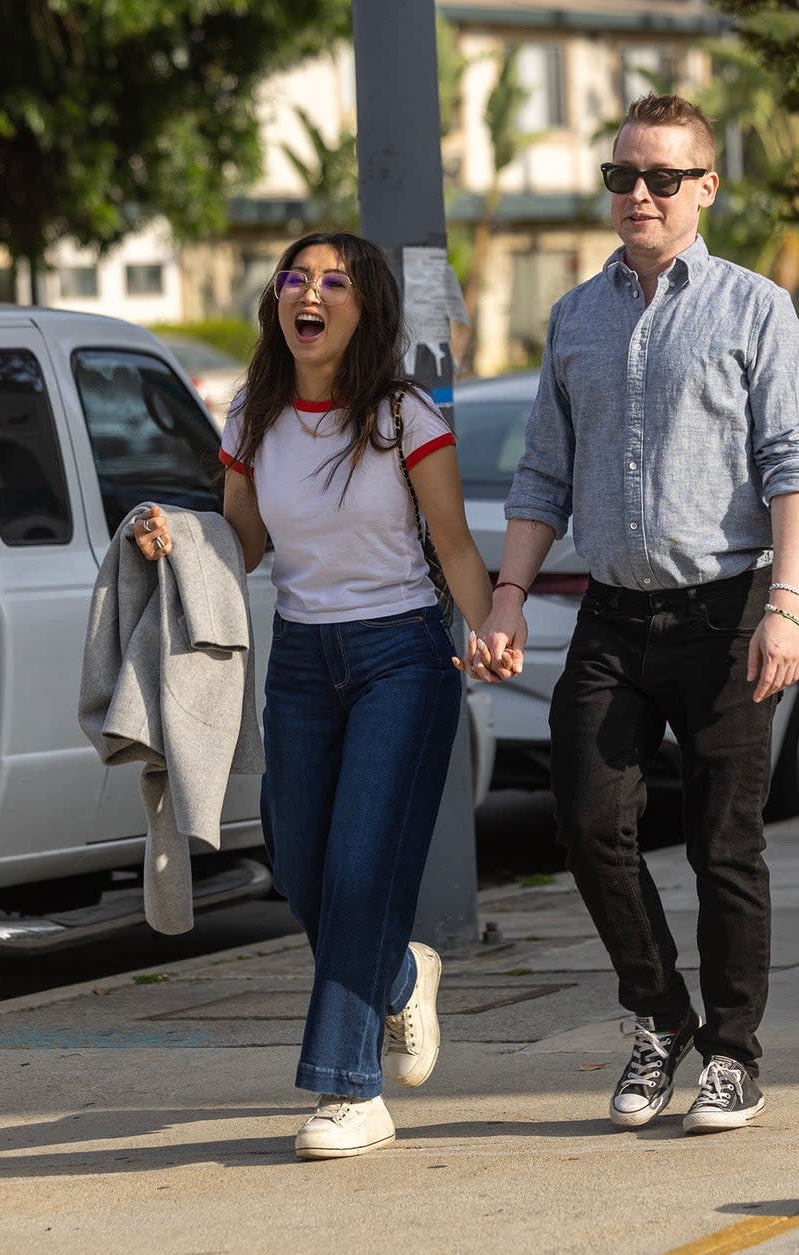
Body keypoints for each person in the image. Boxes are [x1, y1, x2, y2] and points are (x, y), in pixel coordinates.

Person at [470, 94, 799, 1134]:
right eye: (622, 176)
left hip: (727, 609)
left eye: (662, 177)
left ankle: (732, 1052)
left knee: (725, 845)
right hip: (613, 617)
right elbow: (541, 473)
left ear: (705, 187)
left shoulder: (756, 307)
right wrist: (504, 599)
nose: (638, 194)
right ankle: (658, 1015)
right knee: (585, 822)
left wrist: (786, 608)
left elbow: (792, 462)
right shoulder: (575, 315)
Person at [134, 231, 501, 1160]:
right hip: (302, 663)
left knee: (362, 869)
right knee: (300, 868)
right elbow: (242, 543)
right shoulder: (254, 412)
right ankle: (399, 974)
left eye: (335, 282)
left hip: (402, 660)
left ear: (364, 308)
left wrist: (493, 626)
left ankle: (351, 1090)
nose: (311, 293)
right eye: (297, 277)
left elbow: (453, 545)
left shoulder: (402, 416)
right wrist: (171, 534)